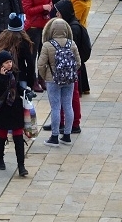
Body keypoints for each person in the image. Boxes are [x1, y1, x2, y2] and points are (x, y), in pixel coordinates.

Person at [39, 17, 81, 148]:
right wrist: (70, 73)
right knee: (68, 106)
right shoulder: (72, 44)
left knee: (55, 107)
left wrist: (45, 76)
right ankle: (67, 135)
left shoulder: (47, 45)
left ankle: (54, 136)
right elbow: (78, 63)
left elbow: (41, 65)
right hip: (69, 79)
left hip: (53, 80)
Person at [0, 50, 28, 176]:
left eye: (10, 61)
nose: (9, 64)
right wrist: (3, 77)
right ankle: (0, 159)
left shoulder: (15, 73)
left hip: (15, 108)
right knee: (2, 134)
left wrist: (25, 91)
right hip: (3, 109)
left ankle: (21, 166)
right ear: (1, 64)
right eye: (6, 62)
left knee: (18, 135)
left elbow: (16, 87)